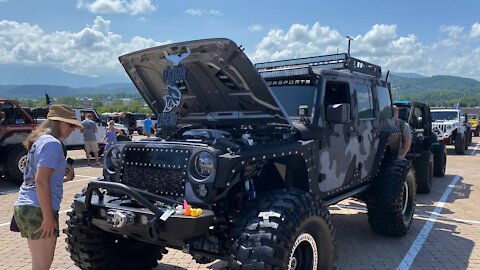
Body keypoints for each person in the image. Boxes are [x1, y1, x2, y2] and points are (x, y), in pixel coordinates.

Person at [13, 104, 82, 270]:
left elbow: (38, 179)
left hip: (28, 206)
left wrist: (63, 173)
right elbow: (41, 181)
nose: (72, 129)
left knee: (39, 264)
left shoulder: (40, 141)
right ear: (58, 122)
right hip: (39, 208)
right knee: (42, 266)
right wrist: (48, 217)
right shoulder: (53, 144)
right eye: (70, 125)